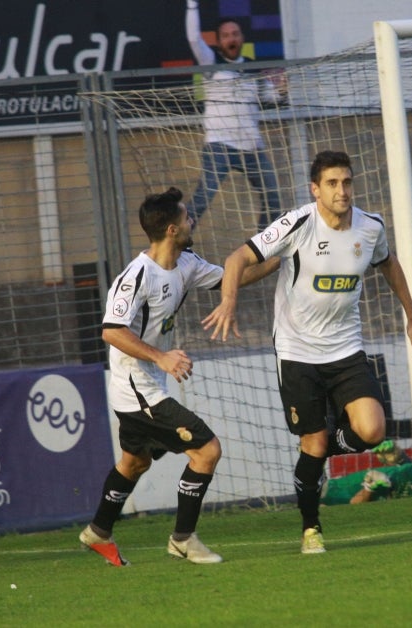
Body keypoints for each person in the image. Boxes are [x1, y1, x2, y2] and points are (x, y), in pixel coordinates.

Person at [203, 150, 412, 554]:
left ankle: (319, 445)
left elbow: (388, 264)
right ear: (315, 189)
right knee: (314, 445)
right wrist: (229, 301)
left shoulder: (370, 226)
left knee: (372, 429)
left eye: (347, 182)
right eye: (332, 183)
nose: (342, 191)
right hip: (297, 350)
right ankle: (311, 528)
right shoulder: (299, 223)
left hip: (345, 347)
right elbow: (237, 257)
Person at [78, 187, 277, 566]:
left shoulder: (186, 262)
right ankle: (183, 538)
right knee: (207, 450)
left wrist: (282, 257)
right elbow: (111, 331)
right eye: (187, 218)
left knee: (135, 463)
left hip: (150, 383)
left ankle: (99, 531)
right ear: (171, 229)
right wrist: (162, 357)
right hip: (137, 389)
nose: (192, 222)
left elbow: (232, 278)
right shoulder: (135, 277)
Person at [184, 0, 285, 230]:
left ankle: (262, 247)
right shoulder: (211, 64)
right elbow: (193, 39)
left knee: (273, 198)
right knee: (202, 199)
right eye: (226, 35)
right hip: (219, 145)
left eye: (235, 34)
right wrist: (192, 5)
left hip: (251, 147)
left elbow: (271, 98)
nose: (231, 39)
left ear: (242, 38)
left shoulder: (253, 68)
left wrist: (281, 88)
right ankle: (176, 240)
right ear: (219, 42)